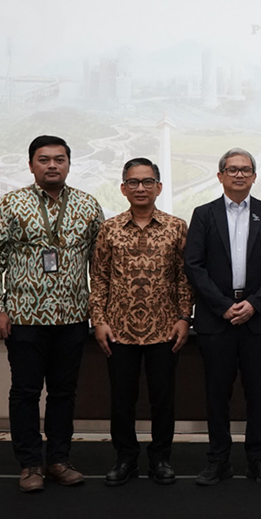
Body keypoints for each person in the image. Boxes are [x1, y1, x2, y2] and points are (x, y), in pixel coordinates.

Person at [0, 135, 104, 493]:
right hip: (24, 318)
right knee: (25, 392)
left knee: (64, 393)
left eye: (59, 159)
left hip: (72, 318)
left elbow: (100, 263)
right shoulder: (11, 203)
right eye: (44, 159)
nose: (52, 165)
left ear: (69, 164)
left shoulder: (87, 205)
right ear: (31, 164)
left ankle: (59, 460)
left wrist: (99, 312)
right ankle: (30, 464)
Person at [184, 149, 261, 486]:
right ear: (220, 176)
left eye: (245, 170)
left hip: (258, 318)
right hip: (217, 320)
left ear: (255, 176)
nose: (239, 175)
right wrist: (222, 305)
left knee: (258, 395)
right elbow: (194, 265)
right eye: (232, 170)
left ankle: (258, 461)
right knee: (217, 394)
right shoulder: (204, 214)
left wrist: (254, 303)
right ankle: (218, 460)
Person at [89, 158, 192, 487]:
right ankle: (125, 459)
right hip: (119, 330)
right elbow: (99, 278)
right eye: (133, 182)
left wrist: (184, 317)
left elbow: (184, 278)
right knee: (122, 399)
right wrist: (98, 320)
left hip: (165, 328)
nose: (141, 188)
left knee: (163, 399)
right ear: (123, 188)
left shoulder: (177, 227)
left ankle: (160, 458)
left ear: (159, 187)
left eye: (148, 182)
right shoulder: (110, 228)